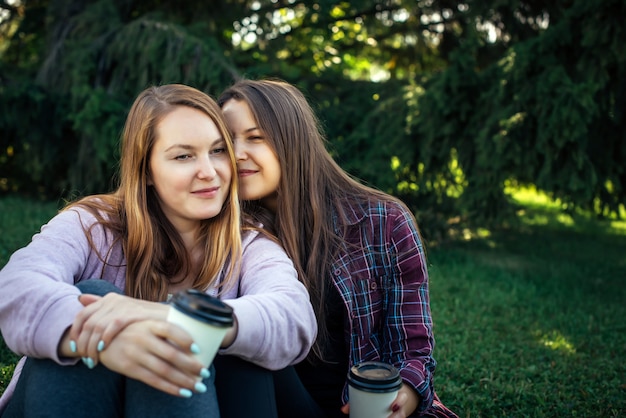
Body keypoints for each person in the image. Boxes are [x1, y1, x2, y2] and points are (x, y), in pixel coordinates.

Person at [0, 83, 316, 417]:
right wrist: (106, 341)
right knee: (93, 295)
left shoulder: (248, 244)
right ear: (146, 170)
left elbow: (292, 314)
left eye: (218, 150)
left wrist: (182, 319)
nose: (209, 171)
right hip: (72, 398)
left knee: (182, 339)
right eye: (183, 156)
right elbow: (16, 285)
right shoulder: (93, 225)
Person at [217, 78, 458, 418]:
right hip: (275, 402)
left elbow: (413, 346)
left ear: (292, 139)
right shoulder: (223, 229)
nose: (237, 153)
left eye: (255, 137)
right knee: (241, 350)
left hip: (361, 407)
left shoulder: (383, 220)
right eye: (226, 141)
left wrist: (405, 391)